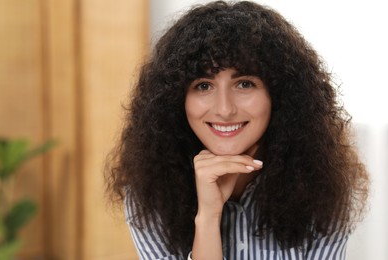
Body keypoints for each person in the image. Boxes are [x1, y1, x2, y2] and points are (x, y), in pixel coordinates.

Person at [105, 1, 369, 259]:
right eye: (203, 85)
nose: (224, 109)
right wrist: (208, 217)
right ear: (176, 99)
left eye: (244, 84)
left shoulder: (324, 186)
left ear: (279, 94)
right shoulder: (150, 193)